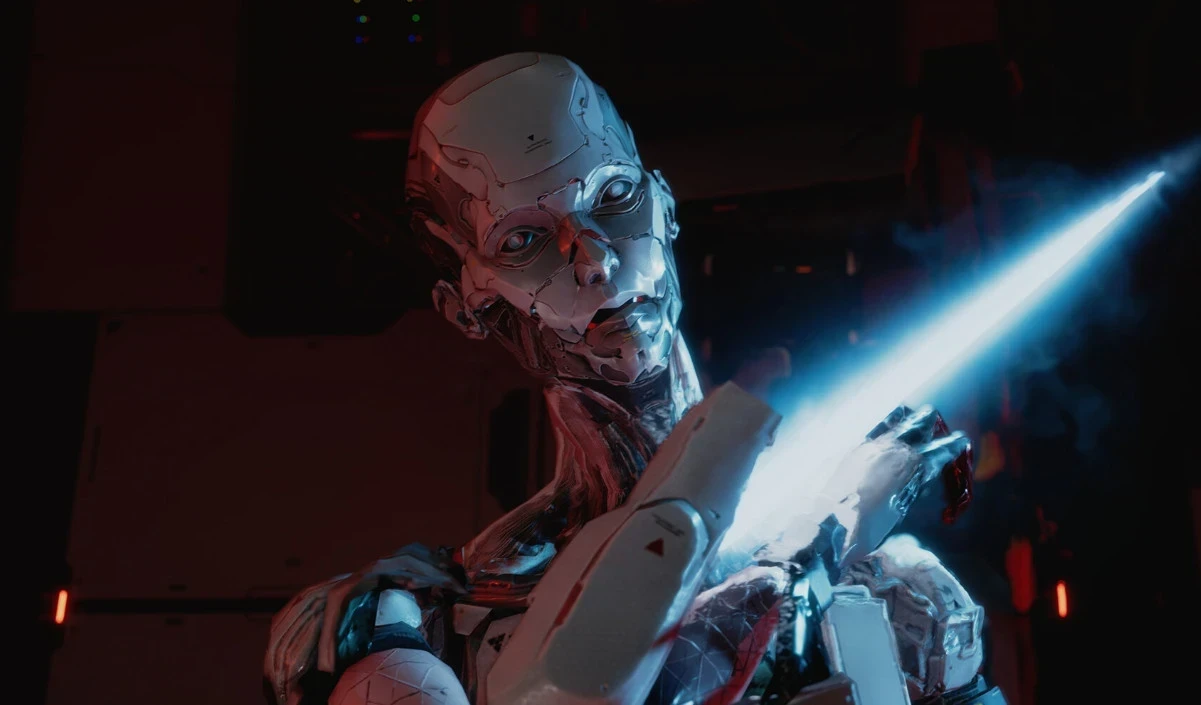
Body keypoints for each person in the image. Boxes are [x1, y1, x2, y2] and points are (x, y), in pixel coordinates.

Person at [263, 53, 1002, 705]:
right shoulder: (395, 625)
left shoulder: (906, 596)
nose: (594, 260)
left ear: (664, 207)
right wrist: (819, 539)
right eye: (523, 239)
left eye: (613, 199)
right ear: (468, 308)